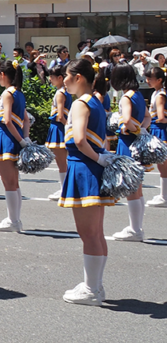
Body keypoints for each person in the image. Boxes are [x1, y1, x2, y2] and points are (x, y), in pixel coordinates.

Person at [58, 59, 113, 306]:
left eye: (66, 76)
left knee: (88, 233)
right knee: (96, 233)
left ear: (78, 77)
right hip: (92, 167)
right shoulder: (95, 101)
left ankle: (92, 289)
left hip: (84, 168)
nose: (63, 80)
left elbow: (80, 140)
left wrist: (99, 158)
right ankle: (95, 285)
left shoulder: (81, 103)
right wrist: (101, 158)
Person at [0, 59, 30, 232]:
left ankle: (13, 221)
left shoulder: (7, 94)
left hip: (7, 139)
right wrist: (25, 139)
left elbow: (7, 120)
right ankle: (15, 219)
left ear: (3, 75)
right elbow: (26, 120)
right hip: (16, 139)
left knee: (8, 182)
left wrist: (20, 140)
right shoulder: (19, 93)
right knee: (14, 182)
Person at [109, 63, 149, 242]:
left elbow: (125, 119)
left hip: (128, 144)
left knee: (132, 188)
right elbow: (148, 117)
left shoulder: (126, 97)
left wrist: (129, 127)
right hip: (137, 144)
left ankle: (135, 229)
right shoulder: (138, 95)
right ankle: (137, 227)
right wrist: (141, 129)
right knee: (137, 188)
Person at [45, 65, 72, 200]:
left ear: (60, 78)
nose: (50, 79)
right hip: (61, 128)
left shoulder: (60, 93)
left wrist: (69, 129)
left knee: (61, 162)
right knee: (63, 162)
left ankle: (64, 189)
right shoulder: (67, 92)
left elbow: (60, 116)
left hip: (59, 128)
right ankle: (65, 188)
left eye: (52, 77)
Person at [144, 66, 167, 207]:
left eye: (150, 79)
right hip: (158, 129)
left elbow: (161, 117)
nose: (147, 81)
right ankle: (163, 195)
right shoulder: (157, 93)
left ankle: (164, 197)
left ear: (159, 80)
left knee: (163, 165)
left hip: (160, 130)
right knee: (162, 165)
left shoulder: (159, 95)